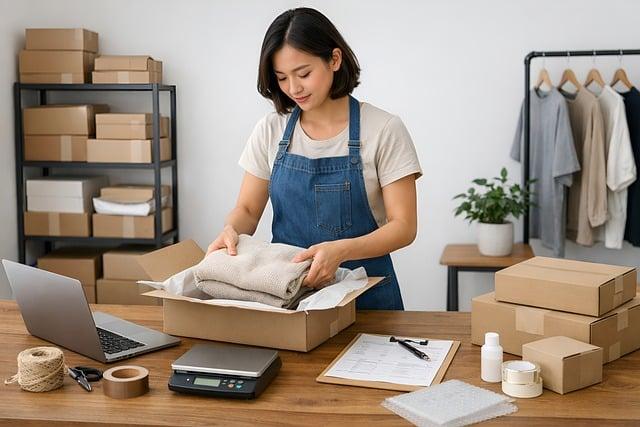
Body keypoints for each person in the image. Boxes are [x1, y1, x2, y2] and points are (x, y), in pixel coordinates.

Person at [206, 7, 422, 310]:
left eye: (304, 73)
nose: (293, 88)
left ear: (334, 59)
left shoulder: (384, 129)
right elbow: (247, 209)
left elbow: (404, 226)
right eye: (281, 78)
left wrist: (341, 251)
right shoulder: (271, 129)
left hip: (367, 299)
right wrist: (231, 230)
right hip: (289, 295)